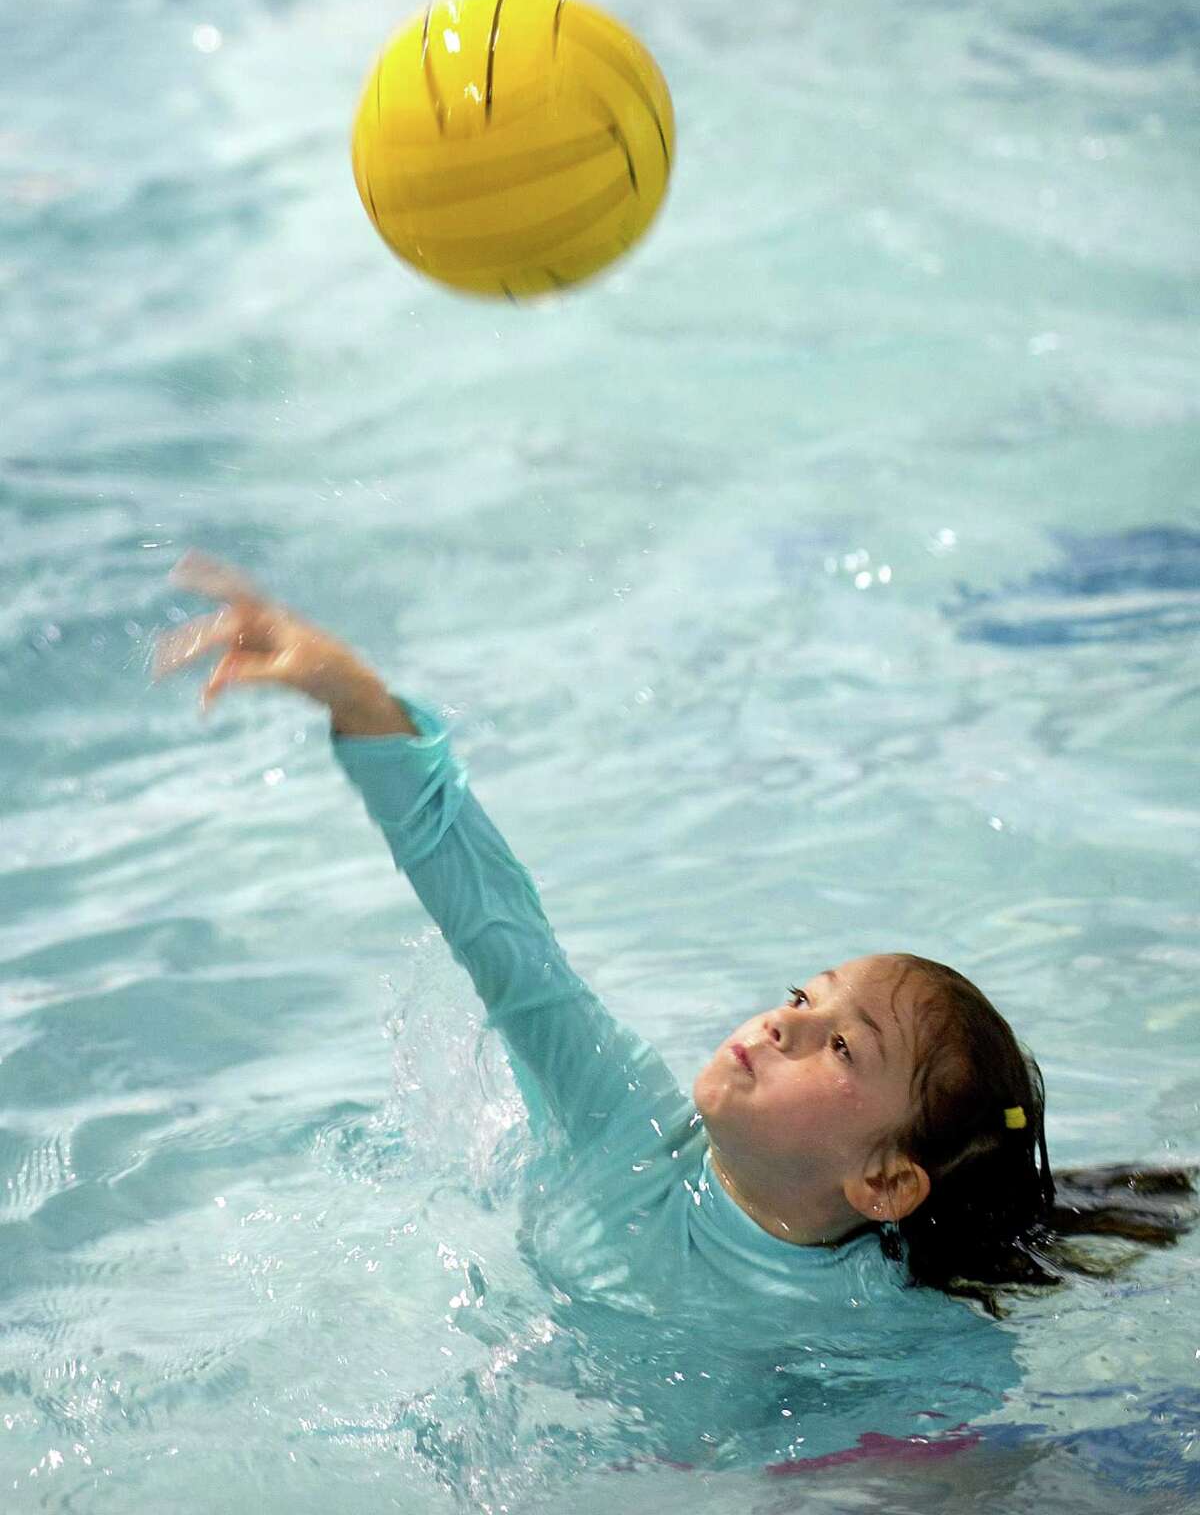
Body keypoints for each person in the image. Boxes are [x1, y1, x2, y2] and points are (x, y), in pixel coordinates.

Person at [154, 551, 1196, 1471]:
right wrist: (359, 699)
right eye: (802, 995)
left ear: (884, 1181)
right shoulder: (616, 1123)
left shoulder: (906, 1340)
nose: (783, 1021)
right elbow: (499, 929)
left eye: (838, 1041)